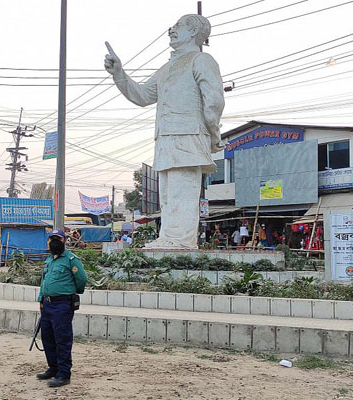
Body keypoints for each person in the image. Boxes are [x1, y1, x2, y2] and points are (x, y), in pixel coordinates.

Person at [105, 14, 224, 249]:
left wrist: (213, 133)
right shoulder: (166, 68)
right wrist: (119, 74)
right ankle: (169, 238)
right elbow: (142, 96)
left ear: (193, 32)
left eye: (178, 26)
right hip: (165, 138)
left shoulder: (202, 60)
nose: (172, 29)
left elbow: (214, 101)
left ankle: (181, 241)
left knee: (183, 192)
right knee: (168, 196)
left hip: (189, 134)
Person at [36, 230, 87, 388]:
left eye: (57, 238)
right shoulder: (49, 260)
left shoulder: (71, 259)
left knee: (62, 339)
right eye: (51, 239)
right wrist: (41, 299)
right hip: (48, 304)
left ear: (64, 240)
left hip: (62, 304)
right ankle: (53, 368)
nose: (54, 241)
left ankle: (64, 374)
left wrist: (70, 293)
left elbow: (82, 280)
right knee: (48, 338)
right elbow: (44, 281)